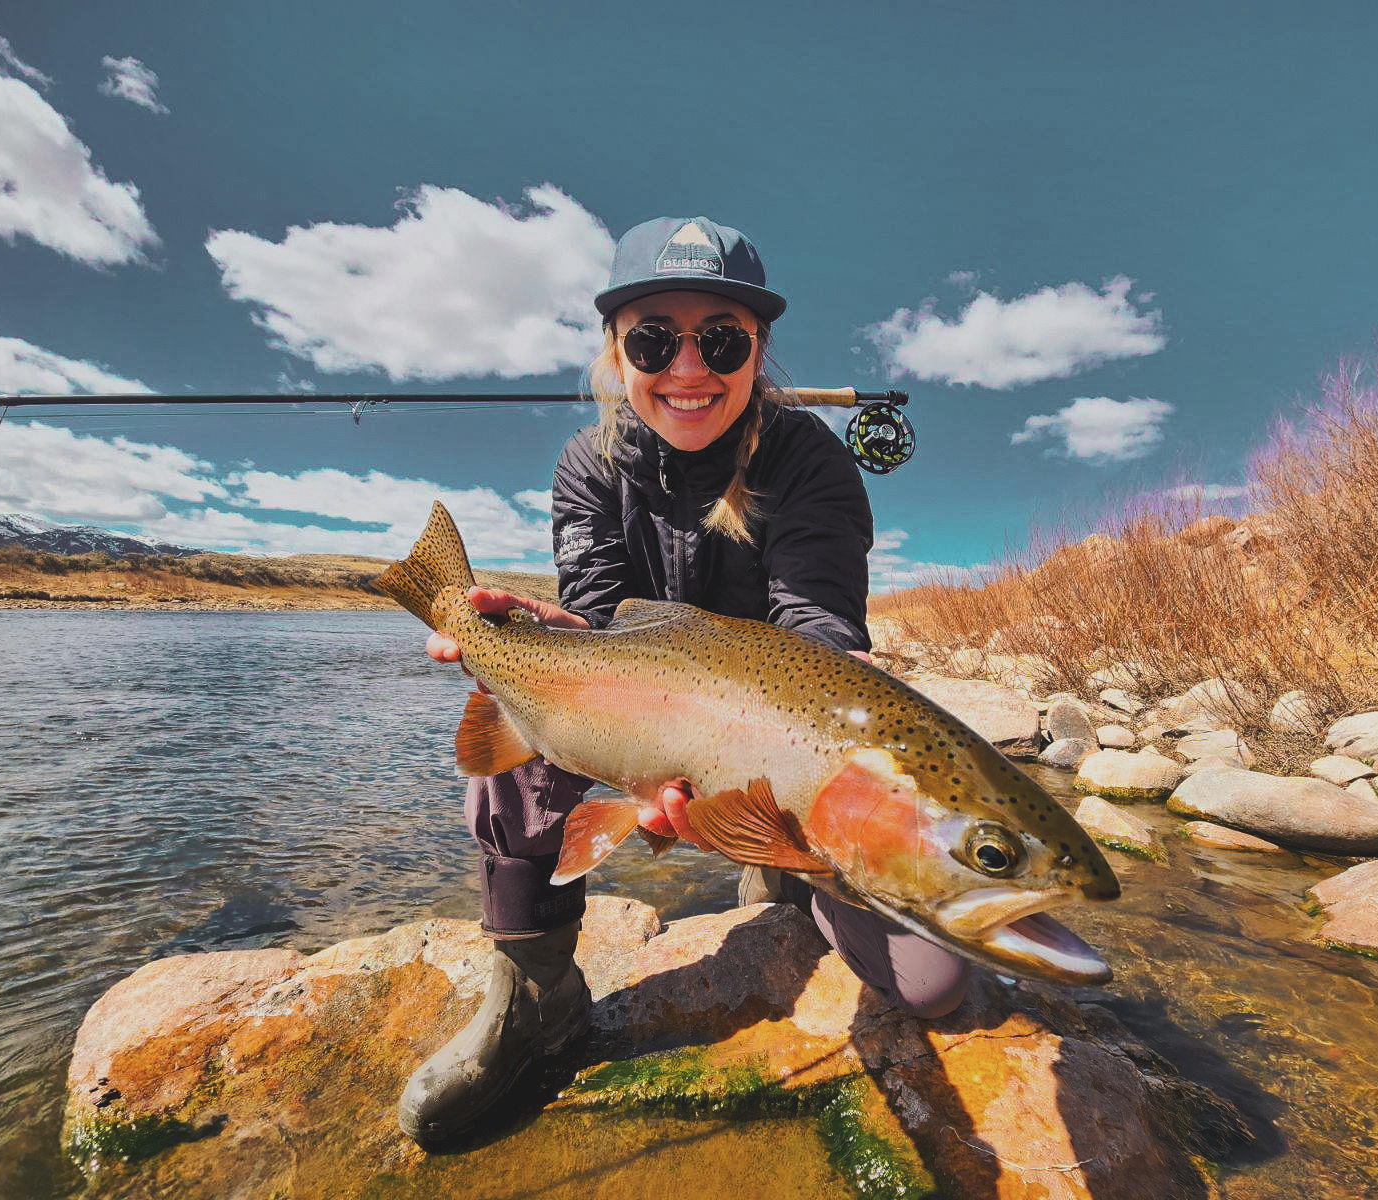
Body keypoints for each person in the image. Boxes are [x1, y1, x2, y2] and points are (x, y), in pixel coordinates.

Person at [398, 216, 968, 1147]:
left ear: (758, 352)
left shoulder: (807, 459)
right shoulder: (587, 465)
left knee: (936, 986)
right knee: (525, 730)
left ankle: (780, 881)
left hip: (760, 730)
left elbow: (816, 624)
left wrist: (818, 747)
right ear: (617, 353)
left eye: (723, 340)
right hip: (629, 706)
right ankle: (534, 1000)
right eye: (654, 340)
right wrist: (533, 637)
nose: (690, 368)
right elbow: (589, 615)